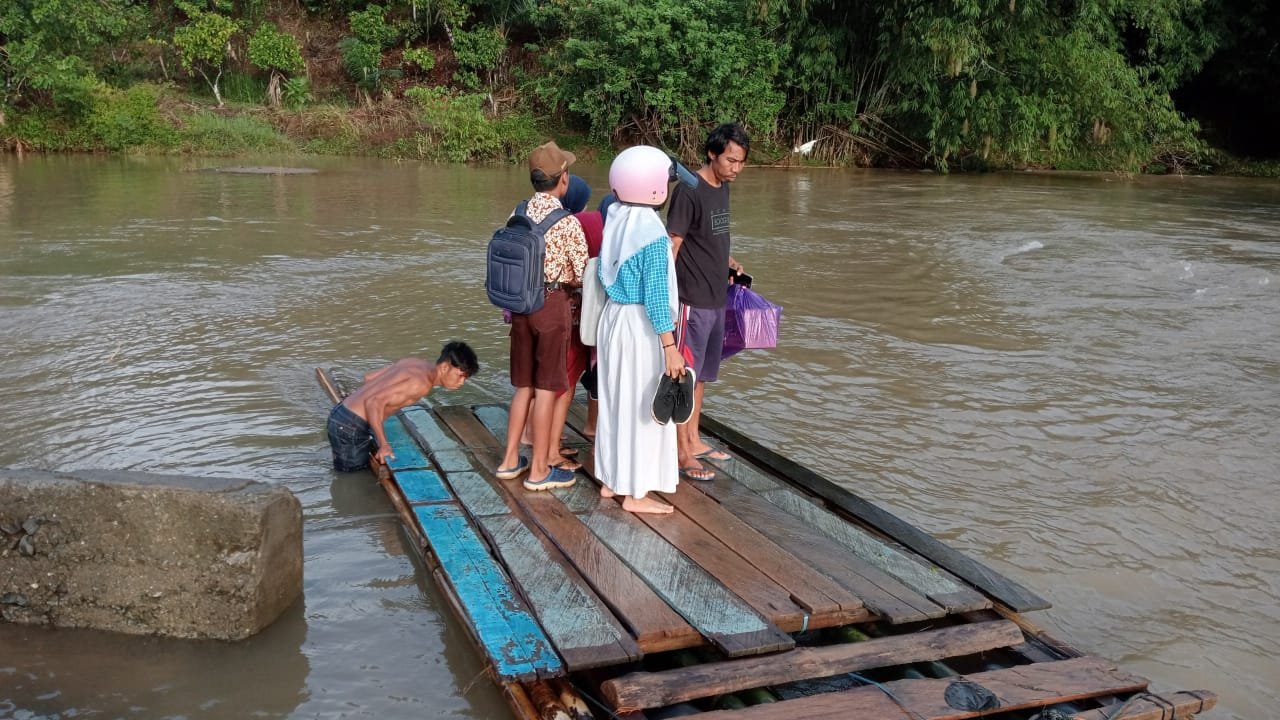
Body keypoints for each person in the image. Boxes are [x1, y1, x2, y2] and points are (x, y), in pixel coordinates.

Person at [595, 145, 685, 514]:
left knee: (614, 402)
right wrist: (669, 346)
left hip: (613, 319)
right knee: (642, 406)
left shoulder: (615, 218)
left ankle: (611, 479)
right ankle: (635, 493)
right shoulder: (650, 233)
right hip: (640, 327)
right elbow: (657, 295)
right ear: (655, 189)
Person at [495, 141, 588, 491]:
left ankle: (508, 461)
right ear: (563, 179)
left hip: (519, 307)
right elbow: (580, 274)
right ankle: (538, 471)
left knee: (523, 386)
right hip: (551, 306)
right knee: (548, 387)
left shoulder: (517, 212)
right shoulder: (567, 223)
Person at [666, 123, 749, 481]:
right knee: (685, 375)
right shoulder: (690, 190)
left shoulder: (722, 188)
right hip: (691, 300)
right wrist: (664, 298)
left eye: (741, 162)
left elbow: (710, 238)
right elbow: (674, 245)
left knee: (702, 378)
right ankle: (681, 452)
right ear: (713, 154)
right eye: (731, 160)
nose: (736, 167)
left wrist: (727, 262)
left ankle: (693, 439)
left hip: (716, 297)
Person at [327, 341, 479, 471]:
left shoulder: (414, 362)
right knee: (353, 478)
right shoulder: (421, 384)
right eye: (460, 376)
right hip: (350, 426)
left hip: (341, 413)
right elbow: (373, 402)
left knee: (347, 468)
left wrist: (370, 420)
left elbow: (369, 378)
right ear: (445, 367)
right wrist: (383, 444)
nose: (461, 383)